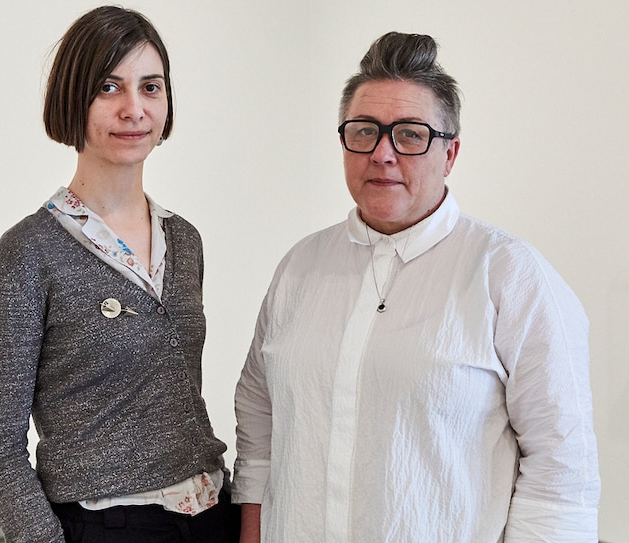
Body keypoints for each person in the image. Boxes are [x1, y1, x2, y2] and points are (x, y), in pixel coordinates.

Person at [232, 32, 600, 542]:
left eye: (409, 134)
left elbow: (563, 470)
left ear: (449, 154)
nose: (382, 153)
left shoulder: (509, 275)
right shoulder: (300, 267)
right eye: (364, 132)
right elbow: (258, 424)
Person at [0, 6, 239, 543]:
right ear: (74, 99)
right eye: (109, 87)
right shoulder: (27, 253)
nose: (134, 109)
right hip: (106, 525)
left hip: (211, 512)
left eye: (151, 87)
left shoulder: (183, 240)